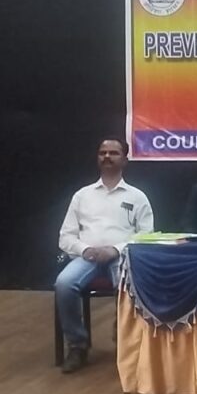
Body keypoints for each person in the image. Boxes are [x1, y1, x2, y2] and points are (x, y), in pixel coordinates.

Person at [56, 138, 153, 374]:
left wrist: (115, 249)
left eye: (113, 152)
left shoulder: (137, 196)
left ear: (125, 160)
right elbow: (65, 236)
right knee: (63, 284)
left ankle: (124, 339)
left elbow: (146, 235)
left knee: (130, 284)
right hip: (86, 257)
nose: (107, 156)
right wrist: (85, 250)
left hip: (122, 257)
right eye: (103, 152)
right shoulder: (82, 195)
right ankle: (78, 345)